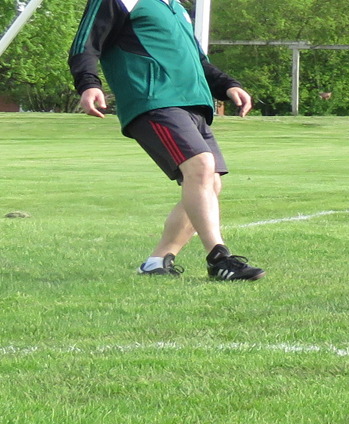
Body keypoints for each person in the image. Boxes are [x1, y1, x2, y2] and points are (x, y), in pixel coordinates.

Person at [70, 0, 264, 280]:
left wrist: (228, 84)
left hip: (193, 103)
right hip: (153, 100)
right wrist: (88, 83)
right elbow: (85, 44)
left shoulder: (176, 8)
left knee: (210, 182)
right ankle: (219, 258)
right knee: (200, 166)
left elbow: (197, 62)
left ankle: (156, 262)